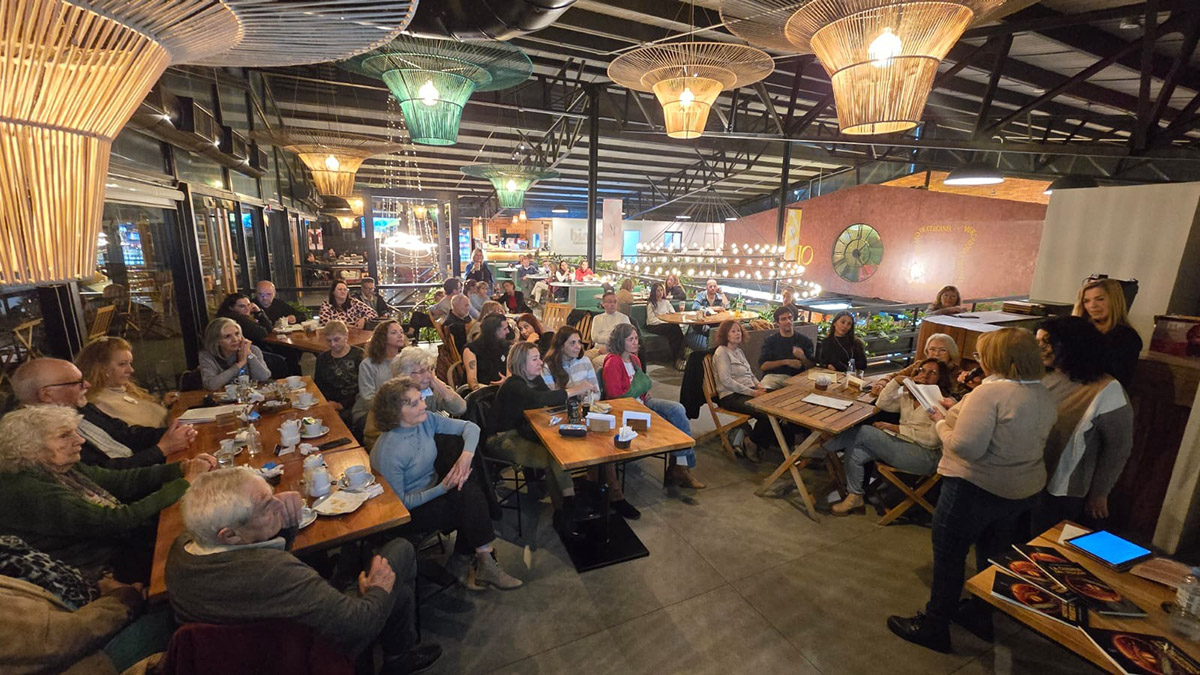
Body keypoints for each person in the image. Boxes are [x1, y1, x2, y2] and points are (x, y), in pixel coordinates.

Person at [165, 468, 441, 674]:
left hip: (246, 648)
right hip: (307, 652)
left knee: (398, 592)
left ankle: (396, 651)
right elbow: (358, 626)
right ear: (230, 535)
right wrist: (378, 589)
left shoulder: (182, 550)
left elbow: (254, 573)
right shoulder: (276, 573)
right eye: (266, 506)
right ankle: (398, 658)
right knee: (400, 552)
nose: (278, 503)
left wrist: (285, 524)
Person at [888, 328, 1056, 654]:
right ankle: (980, 615)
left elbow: (966, 446)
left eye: (982, 355)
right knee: (993, 555)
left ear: (999, 357)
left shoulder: (989, 393)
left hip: (975, 486)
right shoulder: (1042, 392)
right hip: (1021, 489)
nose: (979, 361)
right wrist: (957, 410)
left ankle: (935, 625)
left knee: (950, 555)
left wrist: (940, 421)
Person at [0, 405, 214, 582]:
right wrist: (185, 483)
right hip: (99, 571)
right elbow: (115, 521)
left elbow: (121, 481)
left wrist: (180, 468)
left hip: (121, 546)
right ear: (28, 448)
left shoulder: (55, 466)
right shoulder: (27, 489)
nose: (80, 440)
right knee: (202, 549)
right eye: (64, 436)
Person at [371, 378, 521, 590]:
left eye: (421, 399)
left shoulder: (427, 421)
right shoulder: (388, 451)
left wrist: (466, 456)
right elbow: (400, 505)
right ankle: (472, 561)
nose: (423, 405)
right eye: (414, 404)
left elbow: (471, 428)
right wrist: (442, 489)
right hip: (409, 513)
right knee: (470, 502)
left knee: (468, 488)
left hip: (435, 491)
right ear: (394, 412)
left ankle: (478, 560)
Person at [1032, 316, 1133, 533]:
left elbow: (1118, 448)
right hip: (1028, 478)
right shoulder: (1044, 376)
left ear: (1072, 345)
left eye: (1047, 343)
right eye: (1038, 341)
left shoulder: (1107, 389)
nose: (1040, 348)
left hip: (1062, 488)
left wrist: (1100, 493)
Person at [0, 535, 154, 674]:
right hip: (91, 659)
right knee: (168, 617)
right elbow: (61, 638)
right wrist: (122, 599)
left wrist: (105, 588)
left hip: (89, 615)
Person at [488, 342, 596, 538]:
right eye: (535, 359)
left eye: (539, 357)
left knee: (557, 452)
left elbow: (547, 398)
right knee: (554, 457)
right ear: (521, 363)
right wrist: (575, 390)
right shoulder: (513, 385)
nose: (540, 362)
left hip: (525, 431)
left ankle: (565, 508)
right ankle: (566, 507)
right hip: (502, 438)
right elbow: (538, 400)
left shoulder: (534, 379)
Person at [14, 357, 196, 470]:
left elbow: (126, 433)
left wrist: (176, 430)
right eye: (76, 383)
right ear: (47, 394)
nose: (87, 385)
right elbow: (107, 474)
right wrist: (161, 449)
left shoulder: (82, 407)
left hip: (147, 472)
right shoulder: (42, 438)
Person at [828, 358, 951, 516]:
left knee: (864, 431)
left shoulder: (941, 402)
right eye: (922, 370)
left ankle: (823, 447)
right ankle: (855, 497)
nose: (925, 375)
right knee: (857, 450)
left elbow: (932, 440)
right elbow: (883, 404)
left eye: (932, 373)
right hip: (902, 445)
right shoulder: (909, 395)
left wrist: (897, 428)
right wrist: (897, 381)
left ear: (941, 378)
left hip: (926, 456)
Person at [601, 324, 704, 489]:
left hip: (642, 403)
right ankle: (679, 468)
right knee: (673, 422)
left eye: (636, 338)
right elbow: (615, 396)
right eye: (631, 339)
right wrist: (639, 391)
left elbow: (640, 386)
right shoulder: (613, 362)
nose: (636, 343)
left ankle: (681, 465)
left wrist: (642, 393)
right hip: (625, 411)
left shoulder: (634, 359)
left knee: (677, 410)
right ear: (620, 341)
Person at [363, 347, 466, 451]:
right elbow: (372, 436)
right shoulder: (390, 395)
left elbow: (460, 409)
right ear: (405, 375)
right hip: (397, 450)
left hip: (427, 446)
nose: (428, 375)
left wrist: (435, 382)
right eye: (421, 371)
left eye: (430, 369)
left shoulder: (432, 388)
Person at [712, 320, 786, 460]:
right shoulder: (722, 352)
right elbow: (726, 381)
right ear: (725, 335)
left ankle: (765, 441)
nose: (737, 334)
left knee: (780, 401)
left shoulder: (738, 351)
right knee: (767, 412)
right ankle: (752, 443)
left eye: (739, 330)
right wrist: (753, 392)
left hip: (747, 391)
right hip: (731, 396)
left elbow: (750, 374)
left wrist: (759, 385)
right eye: (733, 331)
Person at [76, 336, 177, 429]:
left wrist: (164, 404)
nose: (131, 370)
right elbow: (138, 434)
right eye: (122, 364)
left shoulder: (125, 389)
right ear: (101, 368)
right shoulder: (99, 405)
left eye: (130, 363)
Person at [1073, 277, 1143, 389]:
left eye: (1100, 299)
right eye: (1086, 301)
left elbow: (1115, 379)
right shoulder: (1077, 330)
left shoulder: (1127, 337)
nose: (1092, 306)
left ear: (1114, 301)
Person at [869, 333, 962, 397]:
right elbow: (895, 375)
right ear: (927, 351)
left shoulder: (957, 373)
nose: (936, 354)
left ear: (951, 353)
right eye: (932, 349)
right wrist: (883, 381)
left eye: (942, 350)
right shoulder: (919, 365)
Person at [352, 319, 407, 425]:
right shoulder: (368, 364)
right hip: (369, 412)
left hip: (403, 409)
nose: (400, 335)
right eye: (394, 333)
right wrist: (396, 410)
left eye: (401, 332)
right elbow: (368, 399)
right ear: (382, 338)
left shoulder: (406, 359)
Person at [313, 321, 364, 427]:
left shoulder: (360, 356)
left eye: (336, 339)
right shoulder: (322, 359)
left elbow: (363, 388)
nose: (332, 344)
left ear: (346, 336)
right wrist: (328, 404)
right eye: (328, 341)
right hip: (330, 402)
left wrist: (341, 405)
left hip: (354, 402)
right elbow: (319, 385)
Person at [197, 318, 271, 390]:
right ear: (217, 341)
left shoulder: (253, 350)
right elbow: (211, 385)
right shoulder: (207, 356)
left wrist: (249, 355)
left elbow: (264, 377)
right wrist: (239, 364)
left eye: (237, 334)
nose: (235, 339)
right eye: (227, 336)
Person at [758, 306, 816, 390]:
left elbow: (812, 368)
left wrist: (803, 357)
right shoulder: (770, 341)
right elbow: (763, 366)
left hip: (797, 377)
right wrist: (786, 362)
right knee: (762, 390)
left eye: (790, 318)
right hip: (774, 377)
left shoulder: (805, 341)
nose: (788, 321)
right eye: (783, 319)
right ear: (778, 323)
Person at [585, 291, 633, 368]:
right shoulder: (597, 318)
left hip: (615, 350)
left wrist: (609, 347)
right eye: (610, 302)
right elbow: (594, 337)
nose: (613, 304)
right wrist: (612, 338)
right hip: (598, 348)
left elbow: (625, 338)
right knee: (584, 358)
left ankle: (598, 380)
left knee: (596, 362)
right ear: (603, 304)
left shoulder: (623, 318)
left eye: (615, 302)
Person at [463, 314, 511, 391]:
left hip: (503, 389)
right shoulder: (471, 350)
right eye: (505, 329)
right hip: (481, 392)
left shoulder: (505, 346)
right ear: (494, 331)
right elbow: (472, 382)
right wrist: (490, 388)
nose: (508, 331)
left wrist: (507, 382)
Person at [645, 282, 686, 370]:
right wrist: (664, 320)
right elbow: (651, 320)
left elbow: (673, 313)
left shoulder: (666, 302)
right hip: (654, 326)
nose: (660, 293)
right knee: (674, 329)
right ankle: (678, 358)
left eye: (661, 290)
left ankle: (677, 358)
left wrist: (666, 319)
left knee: (675, 331)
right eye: (658, 291)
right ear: (654, 292)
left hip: (666, 325)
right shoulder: (651, 304)